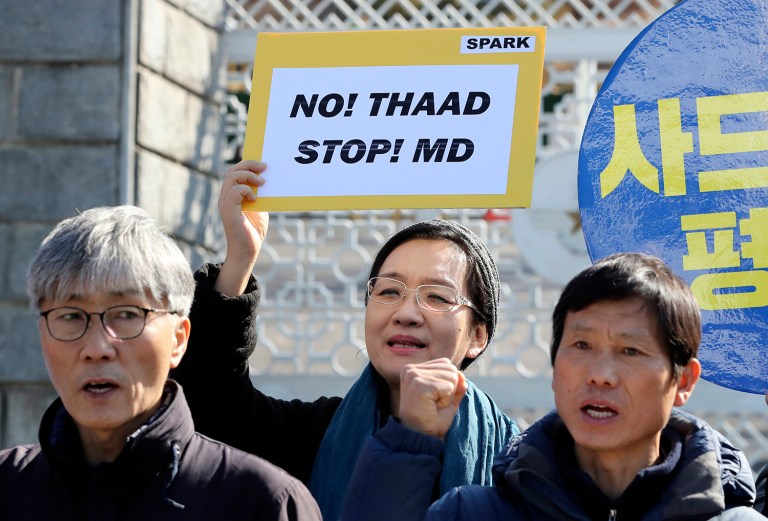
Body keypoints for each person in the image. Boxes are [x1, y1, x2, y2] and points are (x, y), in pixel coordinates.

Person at [171, 160, 520, 520]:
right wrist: (241, 257)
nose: (406, 313)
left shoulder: (518, 463)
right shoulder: (316, 435)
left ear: (478, 335)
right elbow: (211, 404)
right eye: (388, 291)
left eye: (437, 297)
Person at [342, 252, 763, 521]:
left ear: (683, 380)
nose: (600, 374)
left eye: (630, 351)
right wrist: (409, 443)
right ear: (554, 364)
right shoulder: (474, 513)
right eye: (581, 344)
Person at [0, 206, 321, 521]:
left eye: (127, 315)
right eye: (70, 316)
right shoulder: (8, 487)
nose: (96, 348)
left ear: (179, 339)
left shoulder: (262, 502)